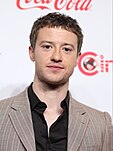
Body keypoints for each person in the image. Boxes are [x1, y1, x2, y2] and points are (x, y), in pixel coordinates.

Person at [0, 12, 113, 151]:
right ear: (32, 52)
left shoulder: (101, 124)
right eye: (47, 46)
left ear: (78, 58)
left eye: (66, 49)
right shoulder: (1, 114)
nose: (57, 56)